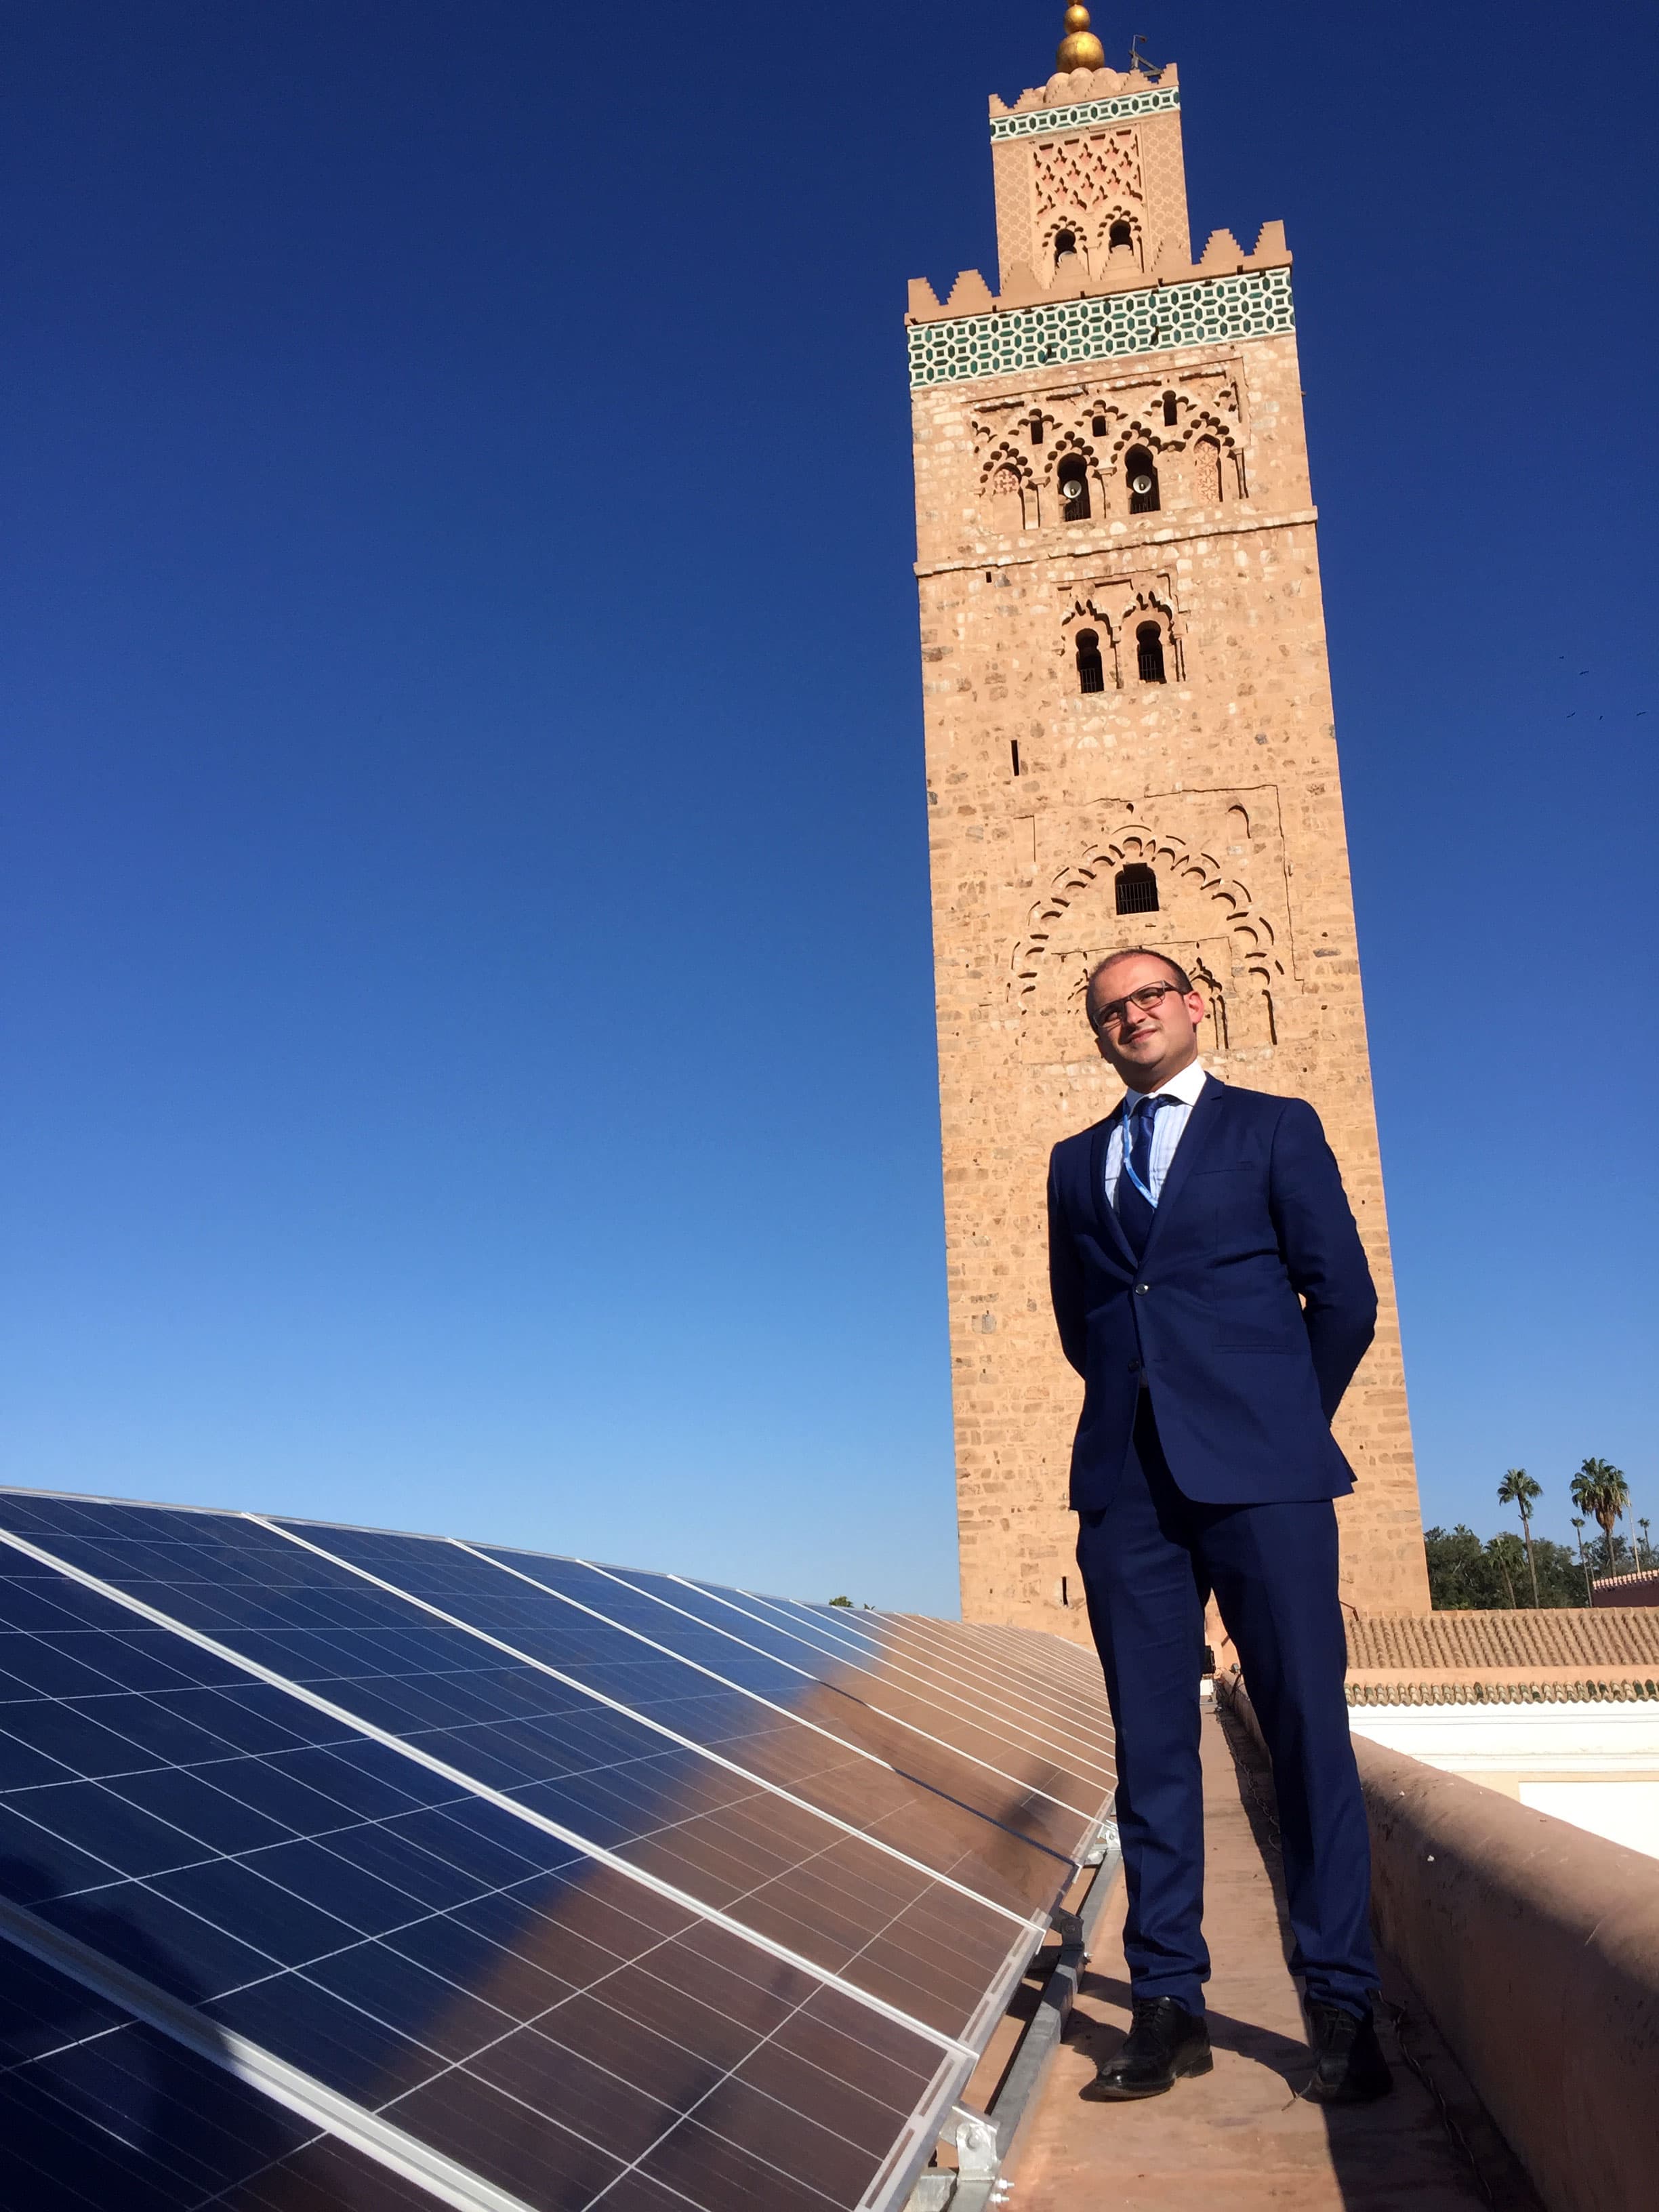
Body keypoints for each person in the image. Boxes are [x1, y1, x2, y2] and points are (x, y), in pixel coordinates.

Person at [1046, 946, 1393, 2106]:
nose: (1132, 1017)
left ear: (1195, 1006)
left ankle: (1341, 2005)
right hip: (1129, 1491)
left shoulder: (1275, 1127)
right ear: (1097, 1034)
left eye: (1151, 998)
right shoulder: (1074, 1163)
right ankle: (1168, 2006)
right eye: (1111, 1011)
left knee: (1305, 1729)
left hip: (1267, 1478)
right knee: (1151, 1751)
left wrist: (1283, 1417)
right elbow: (1082, 1319)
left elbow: (1342, 1293)